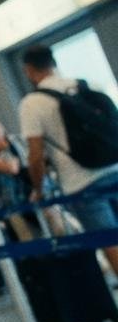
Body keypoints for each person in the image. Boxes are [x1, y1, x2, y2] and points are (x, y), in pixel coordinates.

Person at [19, 44, 118, 274]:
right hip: (114, 167)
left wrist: (39, 188)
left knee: (110, 243)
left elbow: (35, 155)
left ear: (28, 70)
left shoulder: (32, 104)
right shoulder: (86, 85)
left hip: (81, 183)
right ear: (53, 62)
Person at [0, 115, 65, 240]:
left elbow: (38, 159)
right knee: (29, 238)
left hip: (37, 191)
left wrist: (39, 187)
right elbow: (12, 168)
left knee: (59, 227)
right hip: (12, 203)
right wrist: (11, 157)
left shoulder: (18, 140)